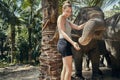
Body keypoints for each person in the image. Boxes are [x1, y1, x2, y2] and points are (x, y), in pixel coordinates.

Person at [57, 1, 85, 80]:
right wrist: (73, 42)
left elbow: (78, 27)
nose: (68, 13)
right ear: (63, 9)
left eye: (70, 12)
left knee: (65, 68)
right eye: (67, 11)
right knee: (69, 70)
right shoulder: (61, 17)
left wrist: (87, 23)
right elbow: (62, 32)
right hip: (64, 43)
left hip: (65, 43)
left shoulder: (67, 21)